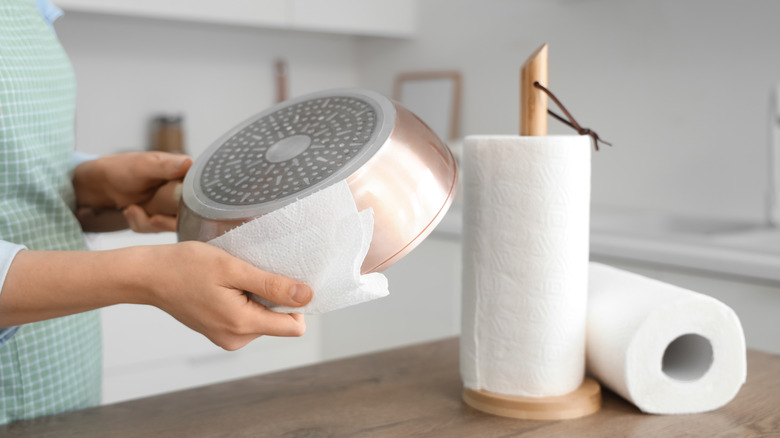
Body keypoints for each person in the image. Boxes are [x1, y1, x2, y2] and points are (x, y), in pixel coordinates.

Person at [0, 0, 312, 424]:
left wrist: (93, 182)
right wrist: (147, 275)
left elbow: (16, 174)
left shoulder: (31, 9)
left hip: (64, 366)